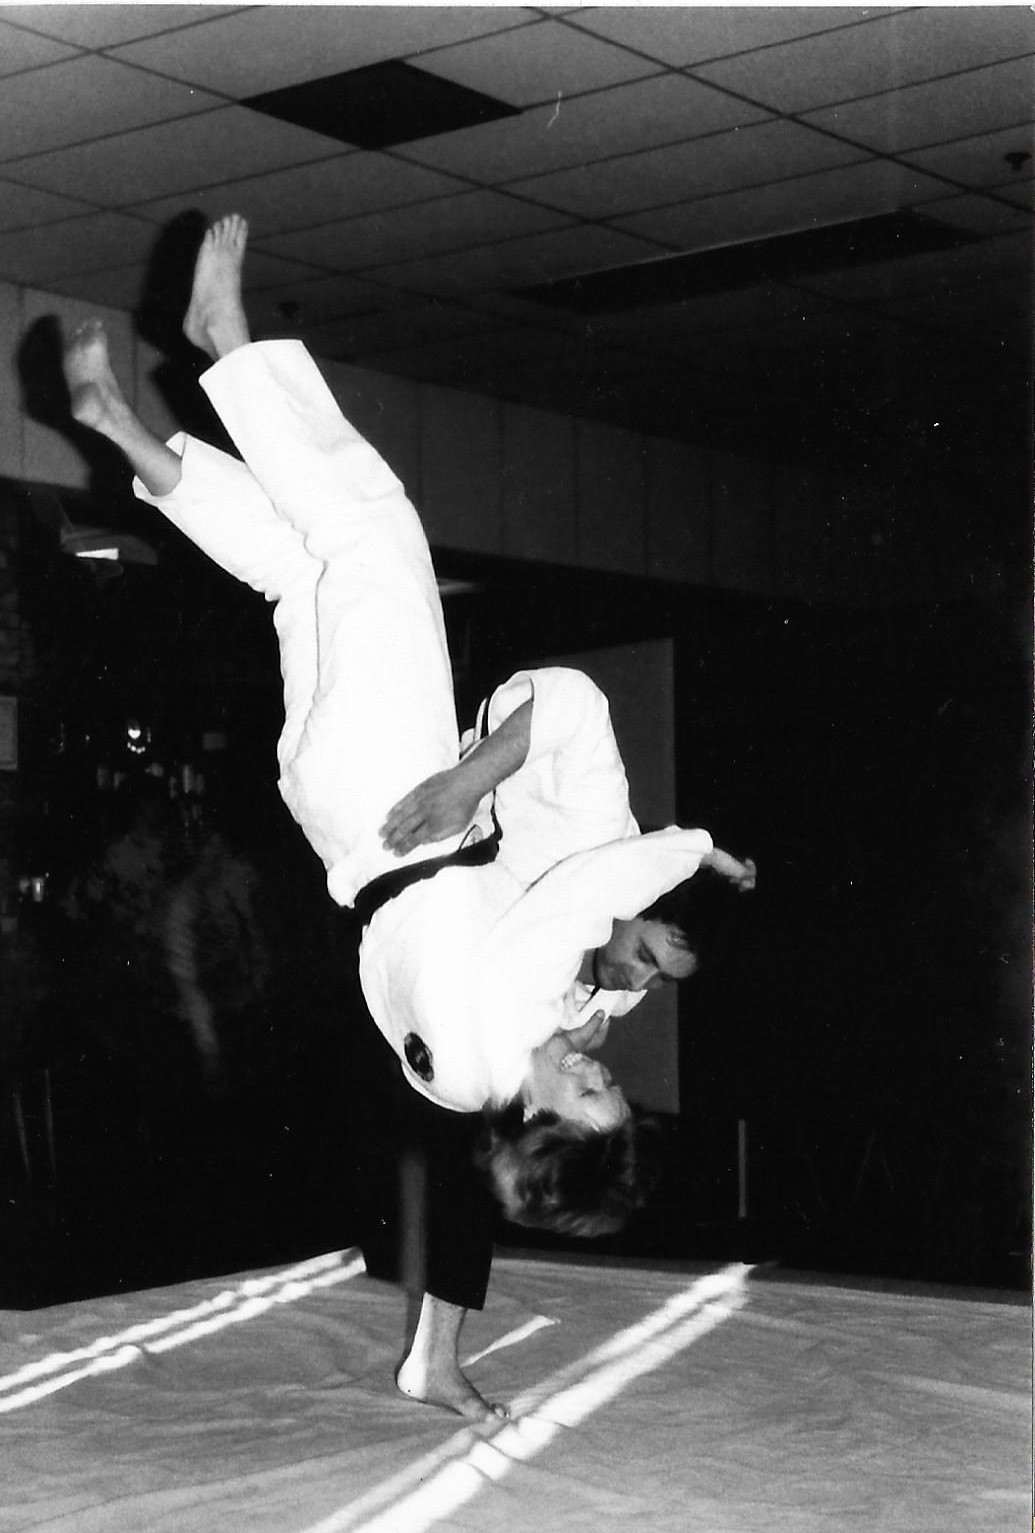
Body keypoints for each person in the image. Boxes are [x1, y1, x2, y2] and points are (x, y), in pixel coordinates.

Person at [62, 214, 754, 1416]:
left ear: (542, 1130)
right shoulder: (468, 1076)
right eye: (609, 1081)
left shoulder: (511, 1021)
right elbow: (568, 955)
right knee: (302, 572)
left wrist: (698, 850)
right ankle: (120, 425)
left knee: (375, 534)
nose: (596, 1070)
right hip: (342, 819)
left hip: (404, 800)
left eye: (590, 1094)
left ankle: (226, 342)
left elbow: (586, 896)